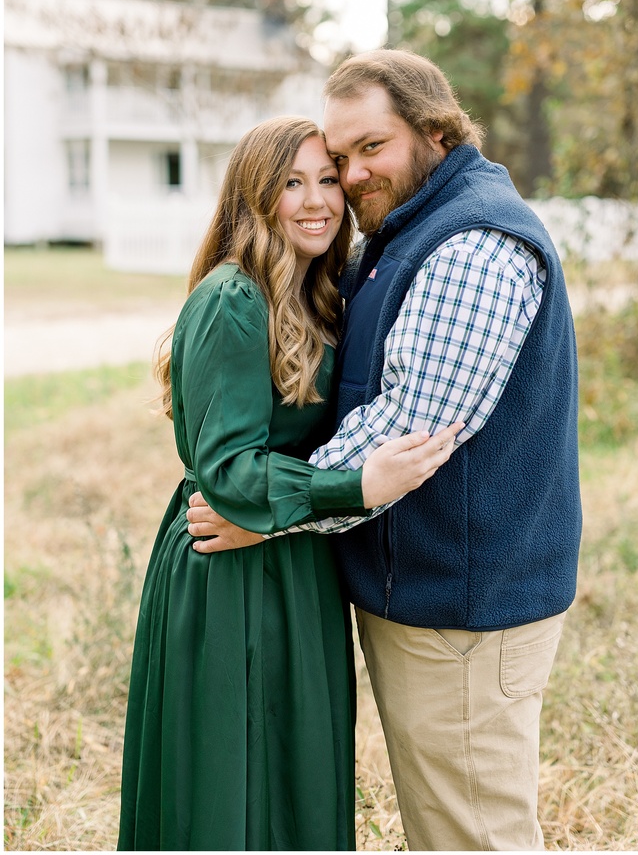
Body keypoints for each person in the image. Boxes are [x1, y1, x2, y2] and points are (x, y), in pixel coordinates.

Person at [189, 50, 583, 851]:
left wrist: (270, 515)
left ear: (436, 133)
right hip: (425, 596)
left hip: (464, 611)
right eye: (339, 158)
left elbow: (409, 428)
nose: (352, 175)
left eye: (373, 147)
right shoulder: (403, 232)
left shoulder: (473, 246)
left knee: (472, 832)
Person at [117, 114, 461, 852]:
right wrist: (355, 486)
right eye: (291, 185)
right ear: (255, 199)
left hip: (297, 563)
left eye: (327, 181)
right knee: (226, 790)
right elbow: (232, 471)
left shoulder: (318, 294)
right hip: (229, 568)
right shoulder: (232, 301)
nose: (316, 202)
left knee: (296, 780)